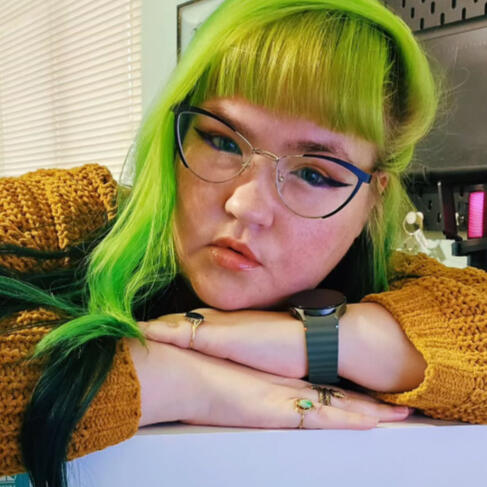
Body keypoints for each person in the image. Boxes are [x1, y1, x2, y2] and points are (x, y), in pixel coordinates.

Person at [0, 0, 486, 485]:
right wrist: (172, 381)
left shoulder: (387, 284)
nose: (246, 206)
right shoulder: (66, 219)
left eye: (314, 174)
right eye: (222, 141)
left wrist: (322, 341)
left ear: (371, 202)